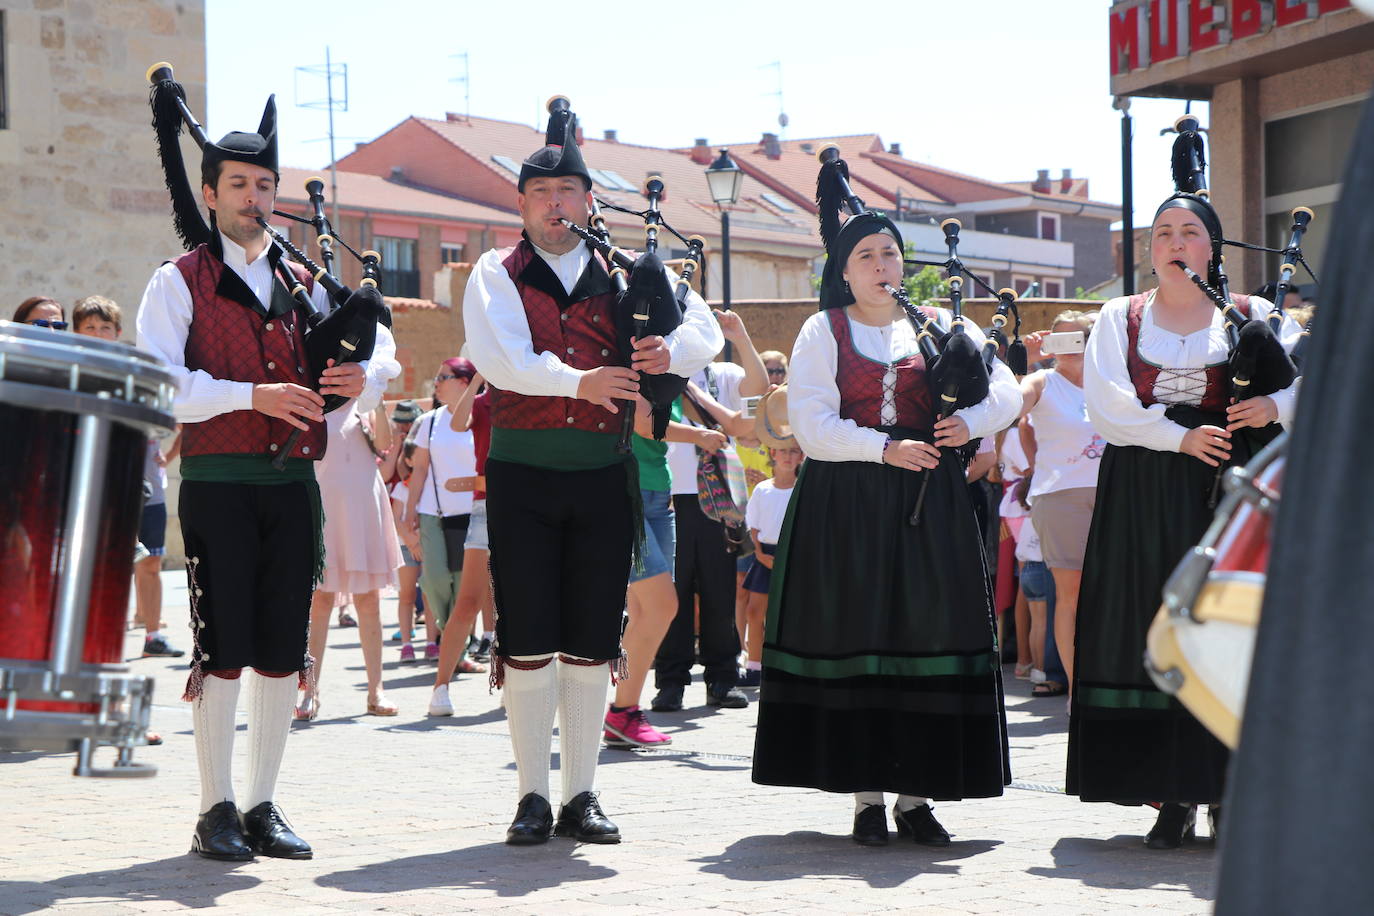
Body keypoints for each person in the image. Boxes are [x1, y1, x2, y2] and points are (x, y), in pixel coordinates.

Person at [137, 89, 397, 861]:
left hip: (293, 489)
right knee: (223, 647)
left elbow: (377, 342)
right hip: (217, 484)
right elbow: (157, 384)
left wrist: (365, 379)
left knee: (283, 647)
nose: (255, 198)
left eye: (265, 186)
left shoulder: (302, 277)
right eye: (239, 186)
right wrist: (252, 394)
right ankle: (213, 808)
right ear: (209, 194)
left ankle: (261, 807)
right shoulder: (177, 281)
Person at [463, 100, 721, 846]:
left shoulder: (626, 269)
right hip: (523, 474)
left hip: (605, 476)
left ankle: (581, 795)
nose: (554, 206)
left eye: (567, 192)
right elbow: (500, 357)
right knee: (529, 636)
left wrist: (670, 355)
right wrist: (581, 382)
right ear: (520, 205)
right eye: (540, 195)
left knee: (590, 636)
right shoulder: (495, 271)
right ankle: (532, 796)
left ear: (587, 200)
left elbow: (700, 323)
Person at [752, 151, 1019, 847]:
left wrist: (972, 423)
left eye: (890, 253)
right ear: (843, 271)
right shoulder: (823, 331)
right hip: (848, 504)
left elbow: (1010, 389)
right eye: (866, 255)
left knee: (921, 639)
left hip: (928, 509)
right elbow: (811, 426)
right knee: (861, 638)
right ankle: (867, 799)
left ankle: (915, 797)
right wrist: (884, 448)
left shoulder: (933, 323)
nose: (881, 265)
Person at [1069, 190, 1300, 849]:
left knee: (1227, 625)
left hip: (1233, 489)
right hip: (1145, 489)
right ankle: (1171, 795)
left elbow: (1309, 383)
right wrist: (1178, 438)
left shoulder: (1253, 315)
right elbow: (1107, 405)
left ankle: (1229, 791)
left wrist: (1271, 410)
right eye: (1163, 232)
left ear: (1213, 248)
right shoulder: (1121, 315)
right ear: (1149, 251)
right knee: (1154, 621)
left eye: (1189, 231)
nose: (1174, 242)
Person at [603, 397, 725, 747]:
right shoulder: (636, 365)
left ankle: (623, 714)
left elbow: (737, 423)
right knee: (661, 607)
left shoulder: (674, 382)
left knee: (646, 612)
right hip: (624, 495)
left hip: (658, 497)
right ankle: (620, 711)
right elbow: (646, 426)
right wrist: (700, 437)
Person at [296, 401, 402, 720]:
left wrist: (378, 397)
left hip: (363, 508)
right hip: (324, 509)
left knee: (368, 601)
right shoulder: (312, 404)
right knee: (321, 601)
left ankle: (376, 691)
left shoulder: (366, 406)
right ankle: (310, 693)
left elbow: (385, 445)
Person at [1016, 310, 1103, 691]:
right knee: (1070, 595)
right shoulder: (1042, 381)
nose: (1070, 349)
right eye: (1060, 340)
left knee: (1112, 592)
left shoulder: (1110, 381)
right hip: (1061, 497)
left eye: (1078, 340)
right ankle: (1075, 688)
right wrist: (1025, 363)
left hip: (1113, 494)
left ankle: (1108, 681)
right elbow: (1009, 407)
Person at [428, 370, 495, 717]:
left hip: (531, 505)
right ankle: (440, 687)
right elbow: (458, 423)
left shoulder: (532, 394)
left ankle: (517, 684)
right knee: (468, 601)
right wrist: (479, 376)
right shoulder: (483, 401)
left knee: (522, 601)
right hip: (487, 507)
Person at [404, 359, 480, 664]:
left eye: (442, 377)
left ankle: (455, 649)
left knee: (463, 587)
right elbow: (419, 469)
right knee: (433, 580)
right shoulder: (429, 421)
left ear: (464, 382)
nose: (435, 382)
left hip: (474, 513)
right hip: (433, 512)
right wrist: (409, 511)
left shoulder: (483, 417)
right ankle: (454, 640)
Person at [739, 387, 801, 688]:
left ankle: (786, 664)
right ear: (772, 453)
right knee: (754, 610)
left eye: (794, 450)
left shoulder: (804, 491)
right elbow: (753, 529)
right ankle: (753, 665)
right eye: (783, 450)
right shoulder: (762, 489)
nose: (788, 456)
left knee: (789, 614)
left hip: (794, 559)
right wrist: (762, 556)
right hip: (765, 557)